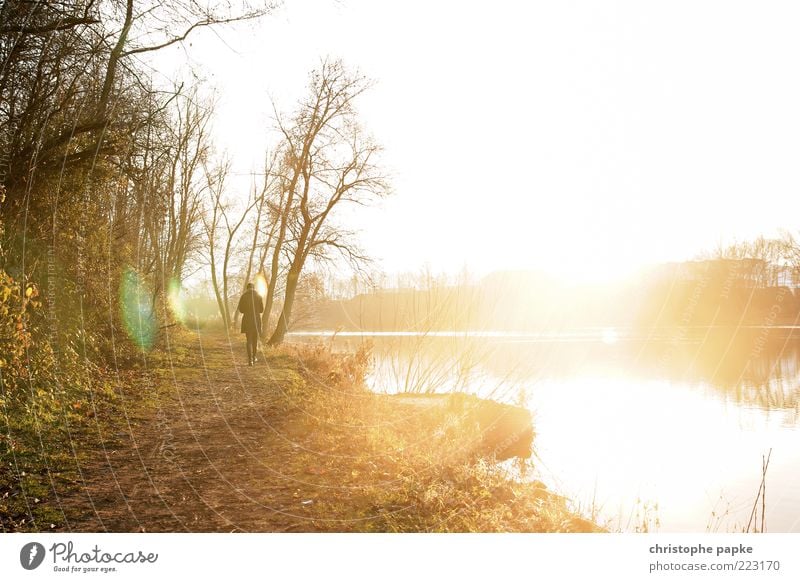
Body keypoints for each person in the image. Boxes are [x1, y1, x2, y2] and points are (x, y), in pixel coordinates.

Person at [237, 282, 264, 365]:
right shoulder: (259, 297)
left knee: (249, 340)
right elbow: (261, 310)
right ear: (254, 288)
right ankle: (254, 357)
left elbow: (241, 310)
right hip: (256, 320)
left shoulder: (243, 297)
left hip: (247, 320)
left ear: (247, 288)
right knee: (255, 340)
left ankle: (250, 360)